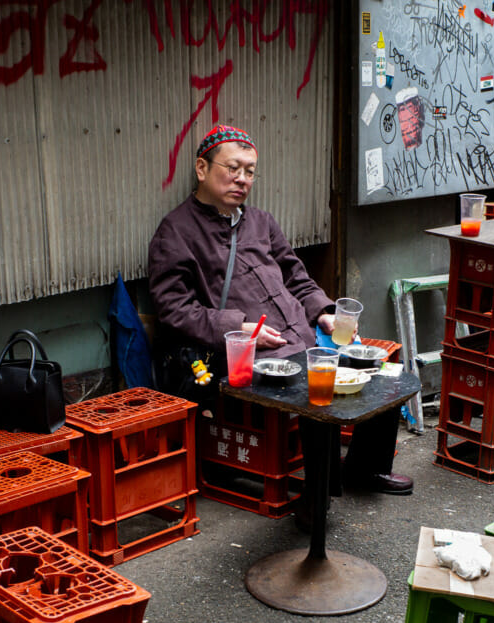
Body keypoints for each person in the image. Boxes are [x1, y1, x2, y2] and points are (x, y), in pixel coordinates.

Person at [147, 124, 413, 495]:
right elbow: (173, 309)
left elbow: (297, 276)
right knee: (316, 391)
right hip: (249, 354)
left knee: (383, 371)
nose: (242, 179)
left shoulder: (261, 222)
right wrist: (238, 326)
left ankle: (366, 469)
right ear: (202, 169)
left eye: (250, 172)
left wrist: (323, 310)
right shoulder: (175, 232)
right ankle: (316, 498)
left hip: (302, 336)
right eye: (232, 168)